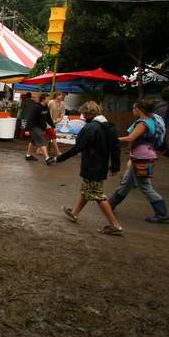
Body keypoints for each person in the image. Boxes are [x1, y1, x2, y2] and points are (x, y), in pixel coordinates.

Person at [53, 101, 123, 236]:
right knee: (87, 189)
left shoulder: (90, 128)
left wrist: (59, 158)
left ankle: (115, 225)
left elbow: (78, 147)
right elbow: (116, 148)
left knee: (97, 194)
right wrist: (115, 166)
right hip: (101, 166)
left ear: (85, 114)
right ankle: (74, 213)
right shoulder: (110, 127)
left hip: (92, 166)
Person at [108, 99, 169, 224]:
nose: (132, 110)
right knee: (127, 182)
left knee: (144, 186)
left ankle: (162, 214)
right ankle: (109, 205)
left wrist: (113, 138)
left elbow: (131, 137)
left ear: (139, 110)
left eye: (134, 108)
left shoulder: (143, 123)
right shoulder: (153, 119)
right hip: (143, 155)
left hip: (142, 157)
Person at [25, 93, 55, 165]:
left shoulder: (46, 107)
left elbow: (48, 118)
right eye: (48, 99)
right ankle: (47, 159)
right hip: (35, 127)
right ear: (43, 99)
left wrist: (53, 126)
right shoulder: (36, 107)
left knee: (32, 141)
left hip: (41, 127)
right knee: (42, 141)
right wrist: (27, 129)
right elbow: (30, 118)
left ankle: (28, 155)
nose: (49, 100)